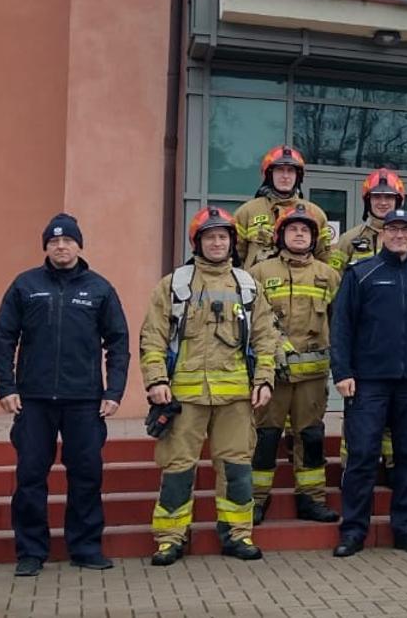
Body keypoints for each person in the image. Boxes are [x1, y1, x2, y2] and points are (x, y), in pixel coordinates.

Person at [0, 213, 130, 576]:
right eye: (53, 242)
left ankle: (85, 548)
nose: (61, 246)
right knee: (30, 477)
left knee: (86, 476)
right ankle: (31, 552)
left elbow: (118, 343)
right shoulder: (25, 285)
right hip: (33, 400)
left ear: (79, 245)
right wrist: (6, 387)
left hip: (85, 400)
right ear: (46, 248)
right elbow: (2, 340)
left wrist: (114, 391)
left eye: (67, 241)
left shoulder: (100, 288)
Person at [139, 206, 279, 566]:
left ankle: (237, 534)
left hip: (236, 396)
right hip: (185, 396)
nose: (217, 243)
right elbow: (153, 336)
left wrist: (265, 379)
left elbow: (266, 338)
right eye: (210, 237)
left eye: (223, 237)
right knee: (177, 468)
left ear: (232, 242)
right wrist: (156, 379)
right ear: (197, 242)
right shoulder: (174, 284)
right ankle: (171, 538)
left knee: (236, 468)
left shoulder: (247, 285)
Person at [329, 208, 407, 558]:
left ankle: (406, 529)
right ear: (382, 235)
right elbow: (342, 325)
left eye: (405, 230)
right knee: (363, 457)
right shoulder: (361, 273)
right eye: (393, 229)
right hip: (368, 383)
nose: (399, 235)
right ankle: (353, 531)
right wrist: (342, 372)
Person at [327, 167, 407, 478]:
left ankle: (391, 466)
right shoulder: (349, 240)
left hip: (401, 348)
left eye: (389, 197)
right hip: (365, 342)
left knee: (396, 421)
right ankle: (354, 469)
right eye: (377, 197)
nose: (383, 202)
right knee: (360, 420)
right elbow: (334, 286)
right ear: (367, 200)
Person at [246, 207, 340, 525]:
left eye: (305, 230)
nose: (299, 234)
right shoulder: (259, 273)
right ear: (280, 235)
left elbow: (339, 323)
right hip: (272, 375)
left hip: (312, 378)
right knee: (265, 437)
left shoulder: (328, 275)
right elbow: (251, 322)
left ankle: (311, 500)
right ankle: (256, 500)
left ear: (314, 238)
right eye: (292, 229)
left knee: (311, 438)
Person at [235, 145, 335, 267]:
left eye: (290, 171)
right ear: (269, 174)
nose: (285, 176)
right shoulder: (247, 212)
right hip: (257, 278)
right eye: (280, 170)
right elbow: (234, 260)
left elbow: (325, 260)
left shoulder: (315, 214)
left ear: (298, 176)